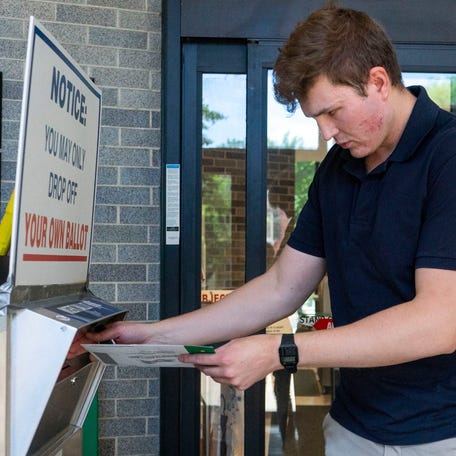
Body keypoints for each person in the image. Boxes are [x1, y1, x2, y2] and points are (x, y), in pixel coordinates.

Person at [71, 5, 456, 455]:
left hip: (440, 434)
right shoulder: (339, 169)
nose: (327, 133)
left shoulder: (446, 157)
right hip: (353, 428)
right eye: (316, 119)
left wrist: (281, 352)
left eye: (333, 112)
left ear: (377, 82)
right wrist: (151, 334)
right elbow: (280, 287)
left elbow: (440, 320)